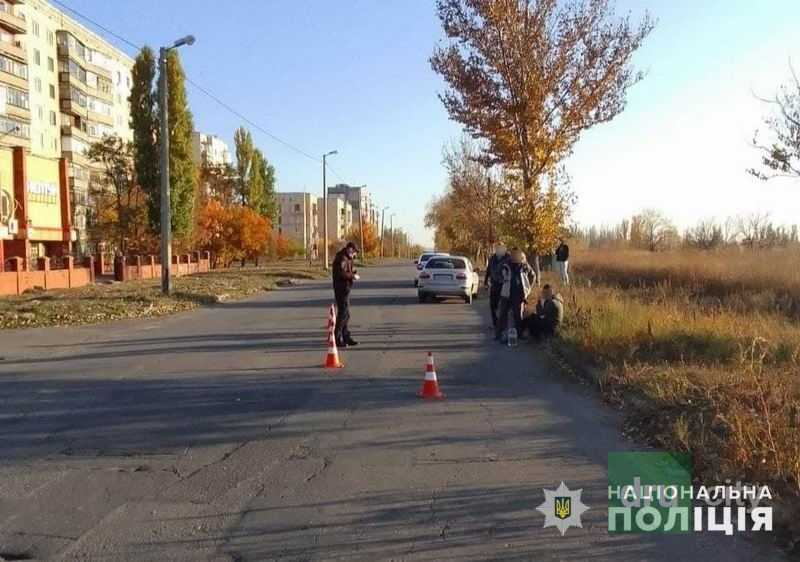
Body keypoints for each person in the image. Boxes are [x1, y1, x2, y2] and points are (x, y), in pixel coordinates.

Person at [495, 248, 535, 342]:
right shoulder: (505, 264)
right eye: (513, 255)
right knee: (502, 315)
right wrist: (502, 279)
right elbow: (496, 273)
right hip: (506, 293)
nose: (515, 257)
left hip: (519, 294)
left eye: (517, 255)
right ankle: (499, 335)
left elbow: (533, 275)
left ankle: (519, 335)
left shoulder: (524, 265)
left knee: (518, 316)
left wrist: (528, 288)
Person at [332, 241, 360, 347]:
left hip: (345, 288)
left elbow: (347, 270)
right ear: (350, 249)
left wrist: (353, 272)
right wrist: (352, 276)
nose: (355, 255)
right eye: (354, 252)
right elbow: (341, 273)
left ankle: (346, 337)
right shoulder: (342, 258)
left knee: (346, 315)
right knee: (343, 314)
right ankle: (337, 338)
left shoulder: (347, 258)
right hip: (341, 289)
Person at [484, 242, 510, 330]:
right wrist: (485, 281)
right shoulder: (493, 258)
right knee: (492, 305)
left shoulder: (508, 257)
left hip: (504, 285)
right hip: (494, 284)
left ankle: (502, 324)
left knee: (503, 306)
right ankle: (495, 323)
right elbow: (488, 270)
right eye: (497, 247)